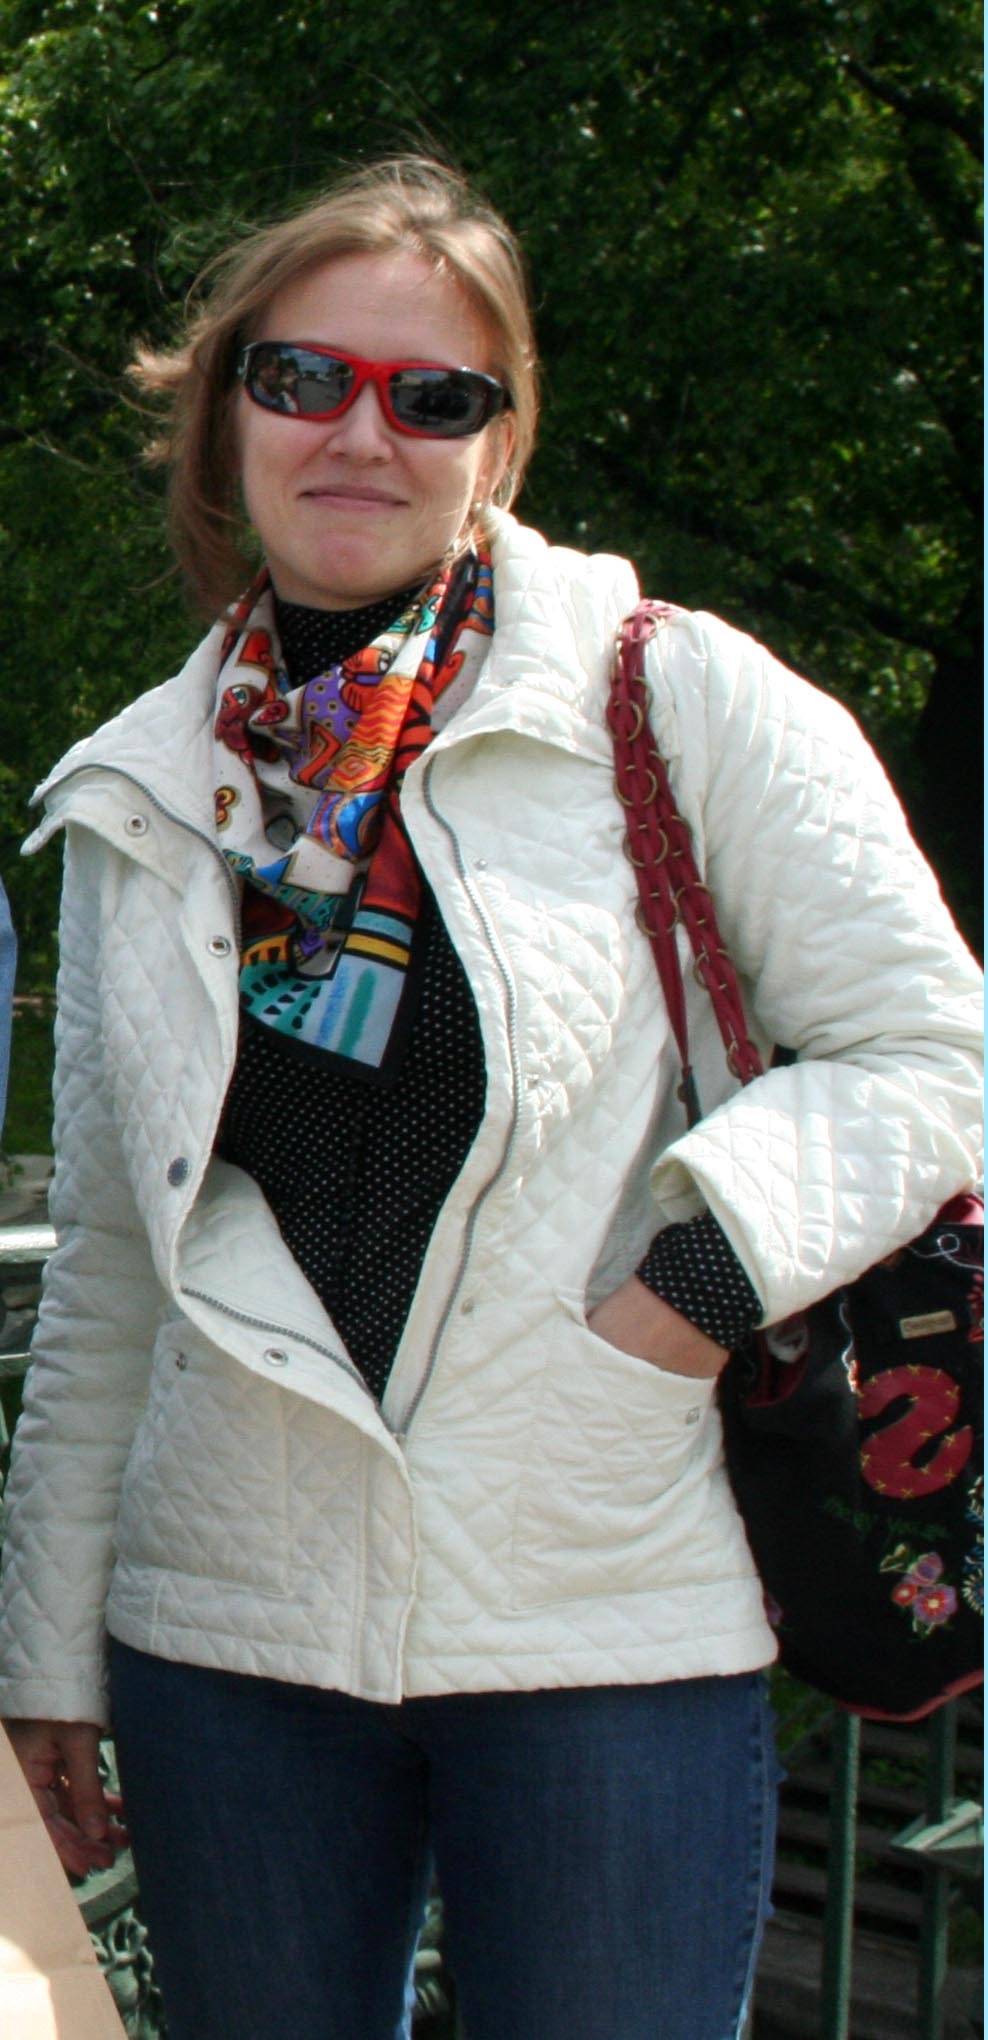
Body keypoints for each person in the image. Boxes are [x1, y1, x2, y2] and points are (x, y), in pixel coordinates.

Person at [0, 156, 980, 2040]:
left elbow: (934, 1052)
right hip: (229, 1633)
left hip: (601, 1606)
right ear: (227, 412)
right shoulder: (142, 796)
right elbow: (115, 1262)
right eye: (305, 378)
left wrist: (682, 1306)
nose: (362, 432)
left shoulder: (673, 699)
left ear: (498, 443)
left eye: (432, 394)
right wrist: (46, 1656)